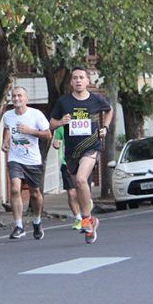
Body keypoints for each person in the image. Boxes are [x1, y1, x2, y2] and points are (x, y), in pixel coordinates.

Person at [49, 66, 112, 244]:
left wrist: (105, 128)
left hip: (91, 146)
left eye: (81, 77)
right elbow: (52, 123)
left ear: (87, 81)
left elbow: (109, 110)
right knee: (78, 186)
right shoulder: (64, 102)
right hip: (71, 151)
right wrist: (61, 122)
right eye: (75, 78)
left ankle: (85, 218)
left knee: (81, 180)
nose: (78, 80)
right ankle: (91, 220)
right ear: (71, 82)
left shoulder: (96, 100)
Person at [1, 87, 51, 239]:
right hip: (15, 159)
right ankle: (18, 226)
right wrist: (5, 141)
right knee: (15, 190)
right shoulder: (8, 115)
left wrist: (31, 131)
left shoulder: (36, 115)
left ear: (26, 99)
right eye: (14, 96)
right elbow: (8, 129)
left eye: (20, 96)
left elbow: (48, 134)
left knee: (35, 193)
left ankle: (36, 221)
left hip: (33, 160)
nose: (16, 99)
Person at [52, 126, 93, 230]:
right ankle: (78, 218)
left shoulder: (82, 125)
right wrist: (56, 144)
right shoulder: (61, 128)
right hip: (67, 163)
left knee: (80, 190)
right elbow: (56, 141)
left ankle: (86, 206)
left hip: (82, 162)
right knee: (71, 193)